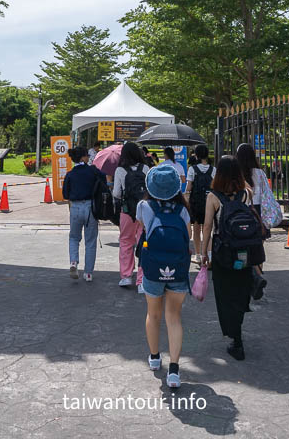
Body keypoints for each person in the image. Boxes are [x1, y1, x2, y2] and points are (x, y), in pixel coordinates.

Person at [201, 155, 264, 360]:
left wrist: (204, 253)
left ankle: (236, 338)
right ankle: (252, 281)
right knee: (240, 291)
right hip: (244, 250)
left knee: (225, 295)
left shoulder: (213, 197)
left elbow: (208, 227)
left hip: (223, 252)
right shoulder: (246, 193)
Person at [138, 164, 191, 389]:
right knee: (174, 317)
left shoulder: (144, 206)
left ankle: (154, 357)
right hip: (177, 267)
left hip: (153, 267)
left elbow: (144, 230)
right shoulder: (182, 209)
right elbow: (187, 235)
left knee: (153, 314)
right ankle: (174, 370)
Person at [62, 146, 106, 282]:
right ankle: (88, 273)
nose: (89, 157)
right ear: (83, 157)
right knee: (90, 241)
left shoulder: (70, 174)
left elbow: (65, 194)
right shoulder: (93, 171)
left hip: (75, 207)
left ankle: (73, 262)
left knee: (74, 238)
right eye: (87, 155)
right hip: (90, 208)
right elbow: (104, 181)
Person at [111, 141, 149, 290]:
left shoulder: (120, 170)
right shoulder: (145, 168)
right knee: (143, 242)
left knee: (126, 242)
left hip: (127, 211)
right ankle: (142, 280)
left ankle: (126, 276)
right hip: (144, 211)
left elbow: (116, 193)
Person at [236, 143, 271, 300]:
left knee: (243, 250)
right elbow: (266, 193)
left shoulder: (237, 173)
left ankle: (252, 280)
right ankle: (258, 277)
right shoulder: (260, 173)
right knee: (258, 250)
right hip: (258, 213)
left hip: (243, 212)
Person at [182, 145, 213, 263]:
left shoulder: (192, 169)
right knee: (207, 228)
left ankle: (198, 255)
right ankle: (209, 254)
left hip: (196, 202)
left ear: (196, 155)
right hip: (209, 202)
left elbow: (189, 187)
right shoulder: (213, 169)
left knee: (196, 228)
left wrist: (186, 196)